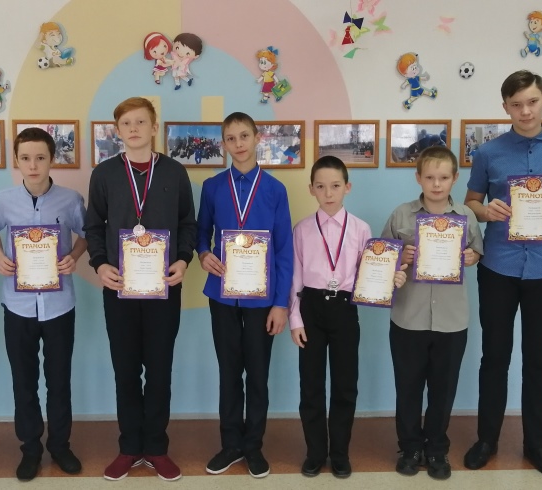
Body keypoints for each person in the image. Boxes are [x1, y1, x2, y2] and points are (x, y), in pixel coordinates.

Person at [462, 70, 542, 479]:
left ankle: (537, 444)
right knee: (494, 358)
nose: (526, 111)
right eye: (516, 104)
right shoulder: (488, 153)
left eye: (532, 101)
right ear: (505, 107)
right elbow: (470, 203)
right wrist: (485, 211)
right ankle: (486, 440)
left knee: (539, 360)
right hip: (498, 267)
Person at [84, 97, 197, 482]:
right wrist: (100, 263)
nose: (133, 129)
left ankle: (157, 448)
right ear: (118, 130)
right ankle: (130, 447)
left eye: (140, 122)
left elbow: (188, 223)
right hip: (119, 288)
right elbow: (94, 226)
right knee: (126, 370)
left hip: (164, 288)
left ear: (153, 127)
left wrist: (183, 260)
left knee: (160, 369)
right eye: (126, 123)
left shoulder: (175, 172)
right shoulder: (104, 174)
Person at [288, 156, 407, 479]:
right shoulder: (302, 229)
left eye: (335, 186)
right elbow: (295, 278)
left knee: (344, 385)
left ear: (347, 187)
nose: (328, 193)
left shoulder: (360, 228)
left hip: (344, 309)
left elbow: (369, 272)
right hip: (311, 308)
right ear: (311, 189)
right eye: (321, 186)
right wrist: (295, 320)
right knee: (310, 385)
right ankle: (315, 453)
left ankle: (339, 453)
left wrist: (391, 279)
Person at [0, 127, 88, 481]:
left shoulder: (70, 199)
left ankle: (60, 446)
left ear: (51, 160)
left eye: (40, 158)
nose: (33, 165)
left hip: (59, 305)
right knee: (24, 381)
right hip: (17, 305)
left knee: (59, 381)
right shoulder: (3, 200)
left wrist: (74, 256)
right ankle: (30, 449)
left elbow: (85, 235)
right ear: (16, 160)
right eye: (26, 158)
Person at [196, 112, 292, 478]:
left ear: (257, 138)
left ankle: (253, 446)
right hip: (222, 294)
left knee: (257, 373)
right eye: (231, 138)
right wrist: (203, 254)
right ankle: (230, 444)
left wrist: (281, 303)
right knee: (229, 372)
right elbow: (201, 233)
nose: (238, 144)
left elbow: (284, 250)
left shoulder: (274, 189)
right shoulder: (212, 187)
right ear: (223, 143)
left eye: (244, 136)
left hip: (262, 299)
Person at [382, 146, 483, 480]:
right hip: (408, 319)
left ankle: (437, 449)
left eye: (443, 177)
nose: (436, 184)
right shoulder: (401, 215)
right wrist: (401, 257)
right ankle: (410, 447)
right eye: (429, 177)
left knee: (443, 389)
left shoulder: (466, 216)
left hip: (452, 320)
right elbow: (380, 259)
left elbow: (477, 250)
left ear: (455, 178)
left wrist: (472, 257)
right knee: (408, 388)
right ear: (418, 178)